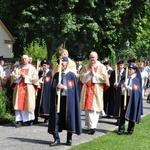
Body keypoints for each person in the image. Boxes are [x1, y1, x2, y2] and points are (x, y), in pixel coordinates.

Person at [48, 57, 82, 146]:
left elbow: (74, 90)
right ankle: (56, 138)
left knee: (69, 119)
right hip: (58, 100)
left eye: (64, 63)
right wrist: (56, 88)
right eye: (61, 64)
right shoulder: (56, 75)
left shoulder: (71, 75)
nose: (62, 65)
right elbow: (52, 89)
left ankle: (69, 138)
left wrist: (65, 88)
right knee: (56, 118)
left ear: (67, 64)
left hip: (68, 101)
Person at [80, 51, 110, 134]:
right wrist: (88, 74)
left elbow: (105, 78)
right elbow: (81, 77)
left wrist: (95, 75)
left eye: (93, 57)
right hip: (87, 90)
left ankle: (93, 127)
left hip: (96, 90)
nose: (92, 59)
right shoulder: (86, 67)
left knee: (95, 109)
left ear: (97, 58)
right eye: (90, 57)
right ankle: (88, 126)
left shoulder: (101, 67)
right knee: (87, 109)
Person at [10, 54, 39, 127]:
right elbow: (13, 75)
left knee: (28, 103)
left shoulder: (32, 68)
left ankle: (28, 120)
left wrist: (26, 77)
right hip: (19, 88)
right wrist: (19, 77)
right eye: (22, 59)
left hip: (28, 89)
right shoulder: (18, 68)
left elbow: (35, 78)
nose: (23, 60)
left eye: (25, 59)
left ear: (29, 60)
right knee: (18, 104)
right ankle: (19, 120)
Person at [117, 63, 142, 135]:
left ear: (134, 70)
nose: (129, 71)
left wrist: (128, 88)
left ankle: (130, 130)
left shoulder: (136, 80)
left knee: (131, 113)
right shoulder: (125, 78)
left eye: (130, 69)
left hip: (131, 98)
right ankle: (121, 129)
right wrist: (120, 86)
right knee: (122, 114)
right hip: (123, 97)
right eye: (128, 69)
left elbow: (136, 90)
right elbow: (120, 87)